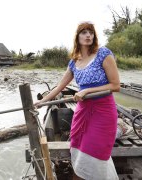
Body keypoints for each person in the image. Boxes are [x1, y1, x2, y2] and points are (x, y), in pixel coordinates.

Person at [34, 21, 120, 180]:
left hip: (103, 111)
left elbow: (115, 85)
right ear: (77, 37)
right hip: (83, 112)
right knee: (78, 147)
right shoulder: (74, 61)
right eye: (84, 32)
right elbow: (60, 86)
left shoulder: (104, 54)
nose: (88, 35)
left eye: (91, 32)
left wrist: (87, 90)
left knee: (95, 150)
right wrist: (42, 101)